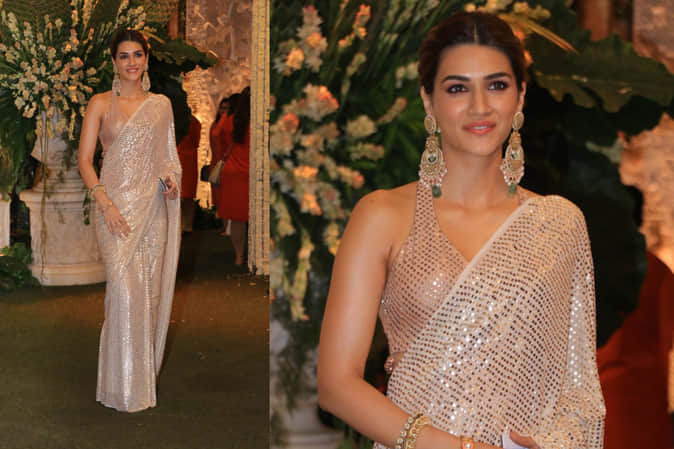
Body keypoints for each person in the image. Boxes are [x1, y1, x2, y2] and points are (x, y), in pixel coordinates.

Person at [317, 12, 605, 449]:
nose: (479, 106)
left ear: (520, 96)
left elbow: (580, 392)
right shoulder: (382, 216)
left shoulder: (558, 224)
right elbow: (337, 385)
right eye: (457, 88)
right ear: (428, 101)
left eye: (497, 85)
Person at [78, 29, 181, 412]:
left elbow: (168, 159)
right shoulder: (99, 103)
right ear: (114, 61)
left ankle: (138, 386)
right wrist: (104, 203)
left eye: (138, 54)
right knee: (123, 292)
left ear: (146, 59)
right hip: (114, 211)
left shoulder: (161, 105)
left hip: (152, 210)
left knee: (147, 296)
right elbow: (85, 161)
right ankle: (119, 386)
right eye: (124, 56)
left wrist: (171, 181)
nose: (132, 62)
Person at [217, 87, 250, 266]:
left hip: (234, 171)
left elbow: (218, 136)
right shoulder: (260, 123)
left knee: (237, 219)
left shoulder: (232, 121)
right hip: (251, 170)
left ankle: (239, 256)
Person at [178, 108, 201, 233]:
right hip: (188, 159)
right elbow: (197, 142)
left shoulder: (176, 121)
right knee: (187, 195)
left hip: (183, 159)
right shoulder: (195, 122)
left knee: (184, 195)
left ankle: (183, 225)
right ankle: (187, 225)